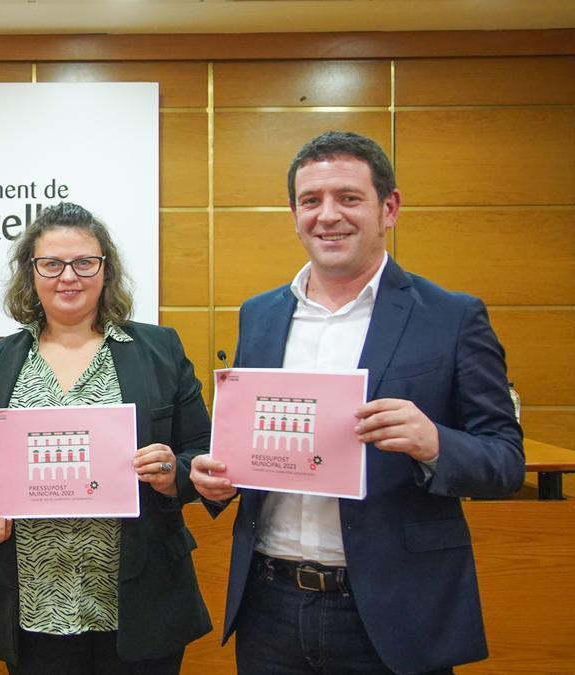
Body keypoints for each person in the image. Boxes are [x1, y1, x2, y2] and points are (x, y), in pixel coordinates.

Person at [191, 131, 524, 674]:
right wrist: (219, 477)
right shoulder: (261, 314)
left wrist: (436, 444)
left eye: (348, 198)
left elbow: (505, 461)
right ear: (294, 213)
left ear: (388, 208)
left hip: (394, 609)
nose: (328, 216)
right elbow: (249, 443)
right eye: (311, 201)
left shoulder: (452, 315)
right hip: (269, 603)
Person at [0, 202, 213, 673]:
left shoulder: (159, 350)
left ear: (105, 269)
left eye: (84, 263)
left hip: (139, 597)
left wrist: (174, 471)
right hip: (35, 601)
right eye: (51, 264)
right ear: (30, 273)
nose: (67, 276)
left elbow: (204, 451)